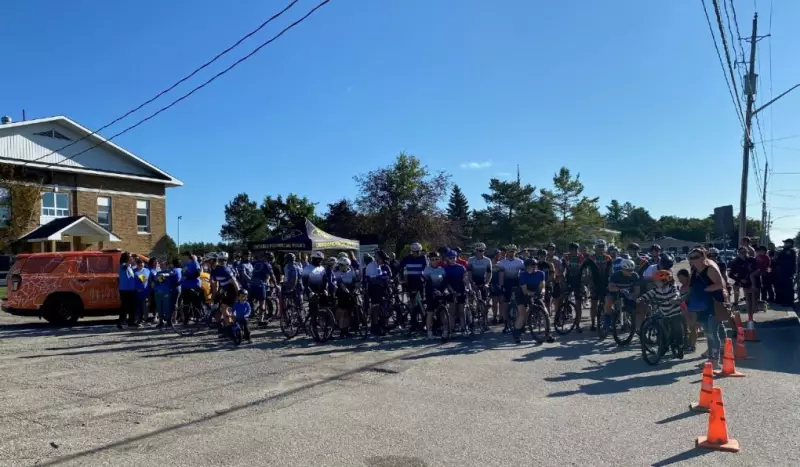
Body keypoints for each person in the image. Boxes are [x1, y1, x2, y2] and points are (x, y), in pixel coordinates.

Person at [687, 248, 727, 369]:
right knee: (708, 333)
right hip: (701, 306)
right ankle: (711, 359)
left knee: (713, 333)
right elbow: (692, 289)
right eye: (691, 257)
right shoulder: (694, 271)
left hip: (713, 304)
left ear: (703, 257)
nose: (694, 260)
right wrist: (683, 298)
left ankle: (715, 361)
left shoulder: (710, 269)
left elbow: (721, 284)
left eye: (697, 257)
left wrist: (706, 289)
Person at [515, 258, 550, 343]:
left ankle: (548, 334)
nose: (533, 267)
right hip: (522, 294)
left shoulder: (541, 273)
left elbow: (543, 286)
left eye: (535, 265)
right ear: (526, 267)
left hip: (535, 293)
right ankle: (517, 334)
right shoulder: (523, 275)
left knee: (545, 312)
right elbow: (524, 290)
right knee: (522, 314)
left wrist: (542, 291)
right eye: (531, 266)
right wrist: (532, 294)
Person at [554, 242, 585, 332]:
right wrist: (561, 277)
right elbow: (561, 269)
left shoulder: (581, 257)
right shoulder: (566, 257)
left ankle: (577, 325)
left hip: (578, 282)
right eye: (572, 250)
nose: (574, 251)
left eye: (575, 250)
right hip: (568, 280)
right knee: (560, 299)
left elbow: (584, 271)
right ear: (570, 250)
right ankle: (558, 318)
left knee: (578, 303)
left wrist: (584, 282)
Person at [582, 239, 612, 331]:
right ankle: (593, 323)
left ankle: (606, 322)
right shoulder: (591, 258)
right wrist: (589, 281)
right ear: (595, 248)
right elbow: (586, 271)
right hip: (594, 282)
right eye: (599, 247)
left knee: (607, 303)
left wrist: (611, 282)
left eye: (602, 246)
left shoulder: (608, 258)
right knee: (594, 303)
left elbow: (611, 271)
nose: (601, 248)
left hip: (605, 282)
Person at [604, 259, 640, 332]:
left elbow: (637, 291)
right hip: (615, 292)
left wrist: (632, 296)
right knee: (608, 301)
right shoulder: (616, 275)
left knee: (636, 305)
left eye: (632, 270)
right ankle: (607, 322)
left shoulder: (635, 275)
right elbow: (610, 288)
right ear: (623, 269)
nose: (631, 272)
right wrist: (618, 289)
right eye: (628, 270)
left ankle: (631, 322)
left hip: (627, 293)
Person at [497, 245, 524, 333]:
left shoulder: (520, 262)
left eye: (513, 251)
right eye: (509, 251)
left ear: (516, 252)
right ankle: (506, 325)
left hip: (517, 283)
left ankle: (519, 324)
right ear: (507, 252)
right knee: (505, 304)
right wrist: (501, 286)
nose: (511, 253)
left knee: (519, 304)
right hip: (506, 283)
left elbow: (523, 274)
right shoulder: (502, 262)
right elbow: (501, 275)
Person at [442, 249, 469, 334]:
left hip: (461, 290)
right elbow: (446, 282)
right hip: (451, 292)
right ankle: (452, 329)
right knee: (452, 312)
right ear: (447, 259)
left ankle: (464, 329)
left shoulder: (461, 267)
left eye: (454, 257)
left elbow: (465, 279)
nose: (452, 259)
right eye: (450, 258)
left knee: (462, 311)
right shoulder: (445, 269)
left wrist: (468, 288)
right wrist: (451, 291)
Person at [423, 251, 447, 339]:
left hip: (441, 292)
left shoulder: (441, 269)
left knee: (442, 313)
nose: (434, 261)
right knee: (430, 313)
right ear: (429, 260)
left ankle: (445, 331)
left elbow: (445, 282)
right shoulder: (427, 269)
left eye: (436, 259)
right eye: (432, 259)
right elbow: (427, 283)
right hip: (431, 293)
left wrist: (445, 290)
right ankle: (429, 332)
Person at [334, 257, 359, 339]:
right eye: (339, 265)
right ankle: (342, 332)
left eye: (342, 265)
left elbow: (355, 282)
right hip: (342, 294)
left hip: (351, 294)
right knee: (343, 313)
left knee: (348, 313)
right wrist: (348, 292)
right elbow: (341, 285)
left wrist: (356, 290)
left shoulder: (352, 272)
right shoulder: (337, 273)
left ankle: (346, 331)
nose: (340, 266)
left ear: (347, 265)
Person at [728, 247, 756, 319]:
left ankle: (750, 316)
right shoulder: (735, 262)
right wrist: (739, 279)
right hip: (740, 280)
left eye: (745, 252)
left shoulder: (751, 260)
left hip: (750, 281)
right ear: (738, 253)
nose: (744, 254)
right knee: (736, 289)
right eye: (741, 252)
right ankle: (735, 305)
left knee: (750, 300)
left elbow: (756, 269)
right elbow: (730, 274)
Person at [773, 239, 797, 306]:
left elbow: (788, 262)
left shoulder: (790, 251)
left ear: (790, 243)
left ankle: (787, 302)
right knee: (781, 287)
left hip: (787, 272)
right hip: (781, 272)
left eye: (786, 243)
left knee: (787, 288)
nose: (785, 244)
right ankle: (780, 300)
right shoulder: (785, 250)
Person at [117, 252, 137, 329]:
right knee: (124, 307)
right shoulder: (122, 266)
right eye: (129, 257)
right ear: (126, 258)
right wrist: (131, 260)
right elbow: (125, 266)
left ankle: (131, 322)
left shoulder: (130, 268)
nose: (131, 258)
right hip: (125, 290)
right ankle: (121, 323)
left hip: (131, 290)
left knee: (132, 307)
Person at [154, 261, 174, 328]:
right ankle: (161, 321)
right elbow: (156, 279)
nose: (161, 265)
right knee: (159, 308)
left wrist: (163, 276)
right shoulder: (158, 272)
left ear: (166, 265)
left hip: (166, 292)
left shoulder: (169, 271)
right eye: (161, 264)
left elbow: (171, 274)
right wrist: (160, 277)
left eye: (163, 264)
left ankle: (169, 321)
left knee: (167, 307)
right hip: (158, 292)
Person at [133, 257, 151, 325]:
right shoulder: (134, 271)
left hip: (145, 292)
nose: (142, 265)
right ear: (137, 264)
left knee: (145, 306)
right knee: (138, 307)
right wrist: (135, 288)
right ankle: (138, 320)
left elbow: (149, 280)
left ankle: (145, 320)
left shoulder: (147, 270)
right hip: (137, 293)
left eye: (142, 264)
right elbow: (131, 281)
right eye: (140, 264)